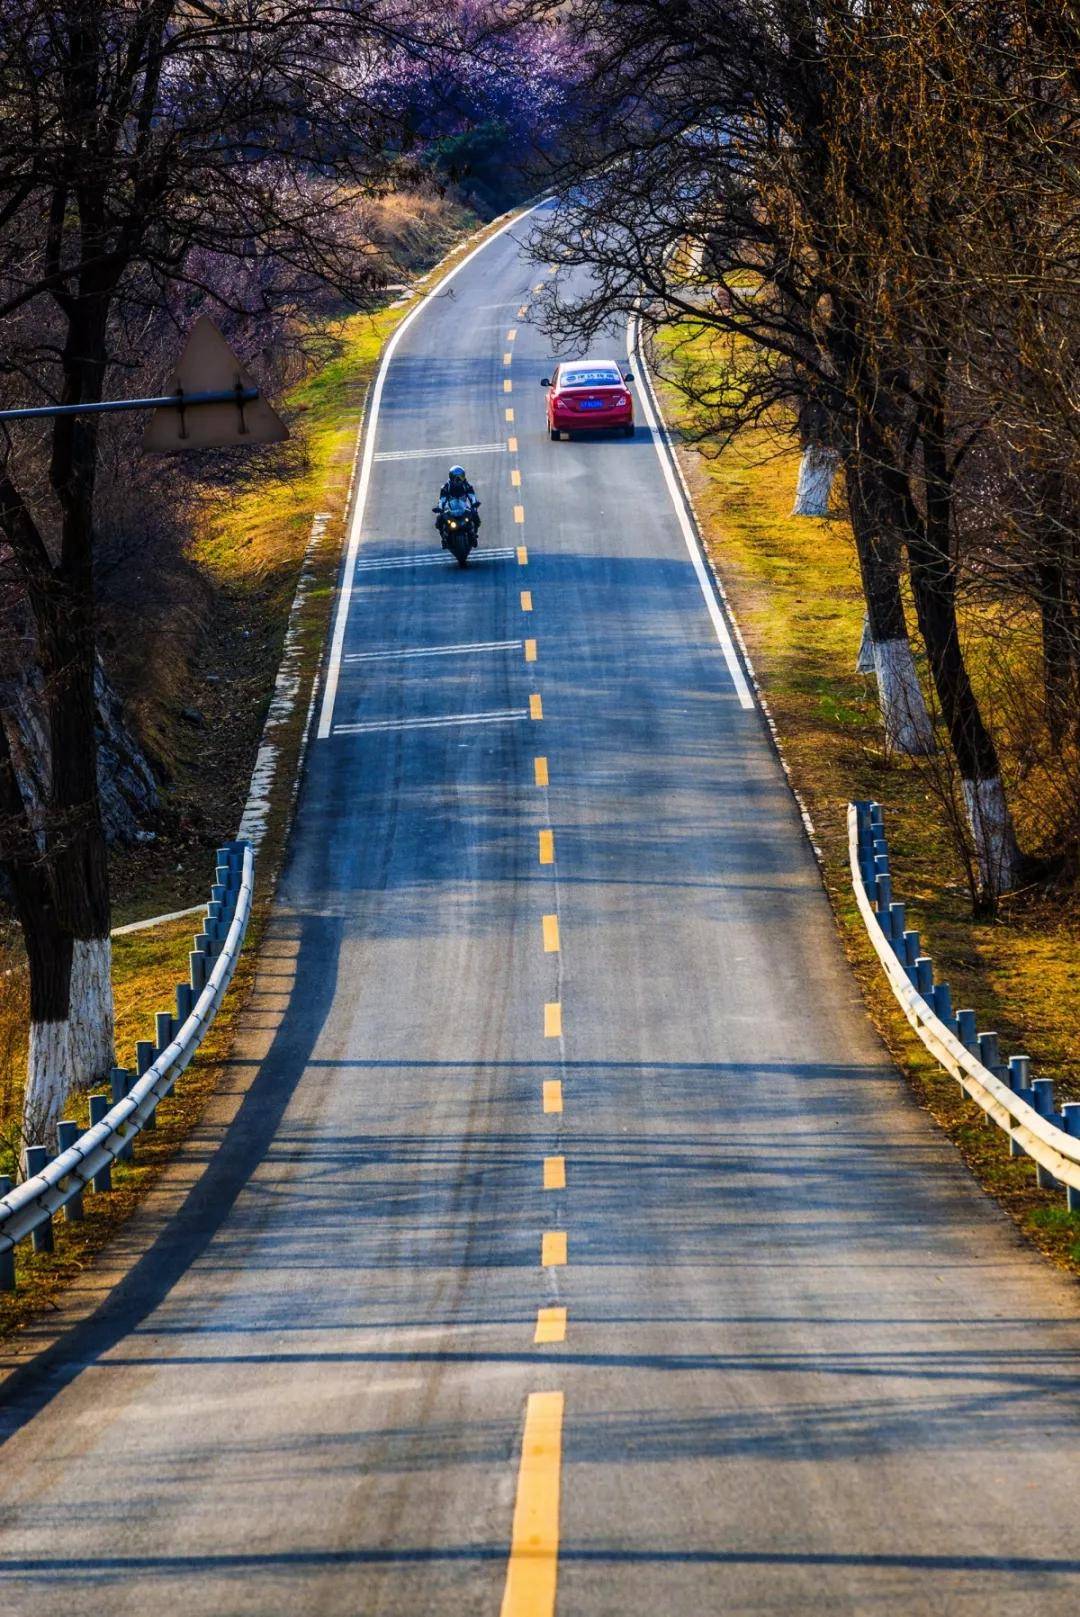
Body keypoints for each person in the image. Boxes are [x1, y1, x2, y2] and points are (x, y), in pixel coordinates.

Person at [437, 465, 481, 529]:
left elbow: (472, 497)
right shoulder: (446, 487)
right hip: (450, 508)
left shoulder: (467, 485)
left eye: (461, 477)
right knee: (439, 518)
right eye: (456, 477)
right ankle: (443, 534)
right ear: (451, 477)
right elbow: (442, 500)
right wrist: (440, 509)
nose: (458, 479)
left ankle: (474, 531)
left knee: (475, 515)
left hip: (463, 506)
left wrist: (474, 505)